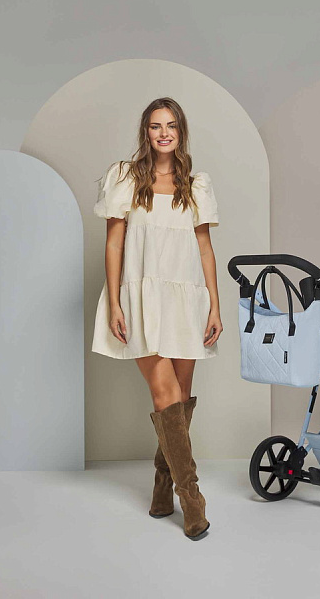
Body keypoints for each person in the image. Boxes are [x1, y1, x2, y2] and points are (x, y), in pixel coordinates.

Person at [91, 97, 222, 541]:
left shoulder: (195, 185)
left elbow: (204, 249)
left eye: (170, 125)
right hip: (142, 299)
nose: (163, 133)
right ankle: (192, 500)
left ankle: (162, 488)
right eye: (154, 126)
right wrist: (115, 303)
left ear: (180, 131)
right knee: (165, 395)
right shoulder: (125, 178)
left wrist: (215, 305)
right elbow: (114, 244)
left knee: (180, 401)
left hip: (187, 300)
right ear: (145, 132)